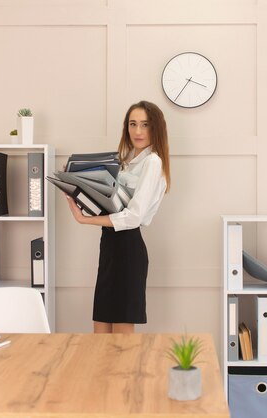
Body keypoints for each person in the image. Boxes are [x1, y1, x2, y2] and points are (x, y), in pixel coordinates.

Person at [66, 100, 171, 334]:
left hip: (128, 248)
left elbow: (133, 217)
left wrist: (84, 220)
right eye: (133, 124)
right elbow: (110, 201)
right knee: (101, 329)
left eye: (145, 125)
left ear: (156, 128)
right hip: (110, 245)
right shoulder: (125, 161)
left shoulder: (153, 162)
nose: (138, 131)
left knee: (121, 341)